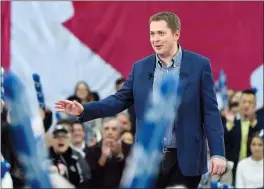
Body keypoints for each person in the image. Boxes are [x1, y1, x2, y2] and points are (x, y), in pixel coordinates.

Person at [55, 11, 226, 188]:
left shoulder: (199, 65)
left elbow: (211, 112)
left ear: (176, 34)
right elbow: (118, 100)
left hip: (187, 159)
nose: (155, 39)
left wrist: (217, 153)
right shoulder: (140, 68)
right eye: (152, 34)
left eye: (161, 33)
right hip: (148, 161)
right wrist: (84, 110)